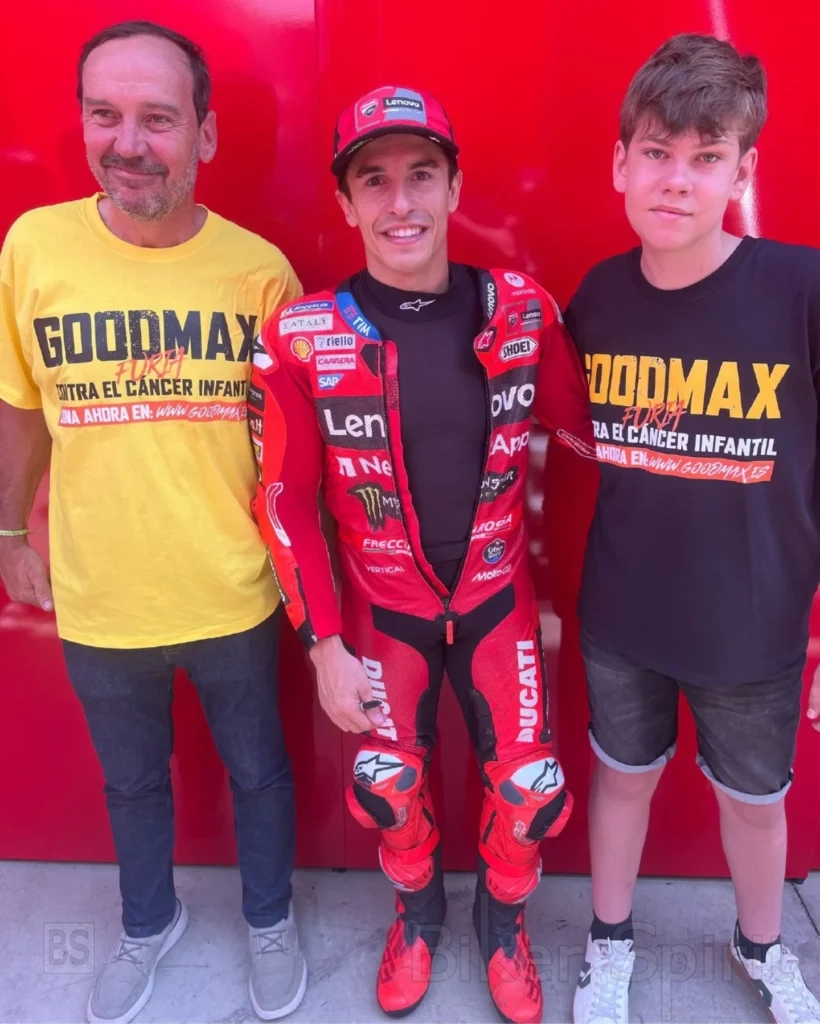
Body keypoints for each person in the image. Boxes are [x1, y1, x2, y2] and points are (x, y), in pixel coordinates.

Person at [250, 85, 596, 1024]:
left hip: (496, 599)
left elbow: (589, 439)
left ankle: (503, 924)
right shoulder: (300, 337)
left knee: (527, 792)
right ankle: (416, 915)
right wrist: (323, 644)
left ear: (454, 188)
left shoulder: (521, 308)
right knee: (387, 786)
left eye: (420, 175)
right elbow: (282, 502)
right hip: (382, 611)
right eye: (374, 180)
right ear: (345, 202)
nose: (399, 202)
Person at [0, 21, 306, 1024]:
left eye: (157, 119)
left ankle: (269, 917)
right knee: (131, 784)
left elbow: (295, 447)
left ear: (204, 135)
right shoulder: (33, 248)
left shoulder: (260, 273)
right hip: (100, 593)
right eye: (105, 115)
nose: (127, 143)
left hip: (232, 588)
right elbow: (19, 404)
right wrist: (8, 534)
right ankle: (148, 921)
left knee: (258, 772)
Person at [564, 34, 820, 1024]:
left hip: (754, 621)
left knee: (755, 802)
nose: (676, 178)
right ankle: (609, 939)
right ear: (618, 162)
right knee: (621, 780)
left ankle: (761, 946)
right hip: (623, 612)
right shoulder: (596, 297)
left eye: (706, 156)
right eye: (657, 152)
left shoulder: (800, 290)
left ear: (742, 172)